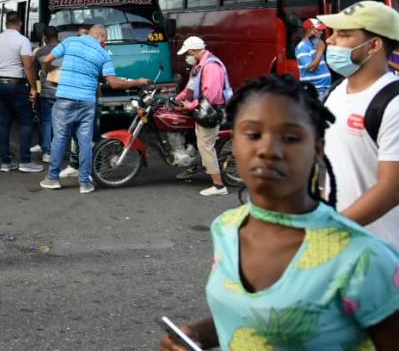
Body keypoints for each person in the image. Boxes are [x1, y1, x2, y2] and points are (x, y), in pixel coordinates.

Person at [159, 75, 399, 351]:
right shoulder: (227, 228)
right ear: (233, 144)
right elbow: (253, 315)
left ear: (318, 150)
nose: (268, 150)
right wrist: (196, 334)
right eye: (253, 134)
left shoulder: (363, 258)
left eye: (291, 138)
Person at [319, 1, 399, 248]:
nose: (330, 41)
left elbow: (392, 188)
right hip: (343, 247)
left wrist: (331, 230)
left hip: (381, 254)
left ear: (374, 45)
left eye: (343, 34)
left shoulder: (393, 103)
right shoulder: (337, 91)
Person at [41, 25, 149, 194]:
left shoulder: (70, 42)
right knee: (85, 142)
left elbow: (47, 60)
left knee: (60, 138)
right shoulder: (102, 54)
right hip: (87, 101)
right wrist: (138, 82)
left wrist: (49, 72)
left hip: (65, 98)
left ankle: (52, 179)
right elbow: (114, 83)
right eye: (104, 39)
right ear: (99, 35)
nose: (104, 43)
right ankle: (85, 183)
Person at [173, 36, 234, 197]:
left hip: (210, 111)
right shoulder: (199, 67)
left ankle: (219, 186)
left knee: (206, 146)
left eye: (188, 53)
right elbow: (190, 88)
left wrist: (190, 105)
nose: (187, 57)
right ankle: (196, 166)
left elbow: (211, 95)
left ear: (194, 51)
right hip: (201, 109)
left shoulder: (211, 67)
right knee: (197, 141)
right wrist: (176, 99)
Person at [0, 12, 42, 173]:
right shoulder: (22, 40)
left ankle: (6, 162)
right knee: (26, 121)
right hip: (15, 84)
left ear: (5, 23)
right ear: (19, 24)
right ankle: (25, 161)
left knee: (4, 122)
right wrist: (33, 87)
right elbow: (28, 66)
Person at [32, 25, 61, 162]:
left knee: (46, 121)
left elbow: (35, 73)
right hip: (64, 92)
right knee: (62, 122)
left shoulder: (39, 52)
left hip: (47, 92)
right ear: (58, 36)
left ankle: (47, 152)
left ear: (44, 37)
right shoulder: (66, 50)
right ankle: (61, 150)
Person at [297, 18, 332, 99]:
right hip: (316, 91)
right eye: (318, 30)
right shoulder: (302, 47)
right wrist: (320, 51)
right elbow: (311, 68)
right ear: (310, 30)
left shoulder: (315, 44)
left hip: (324, 89)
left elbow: (318, 63)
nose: (321, 32)